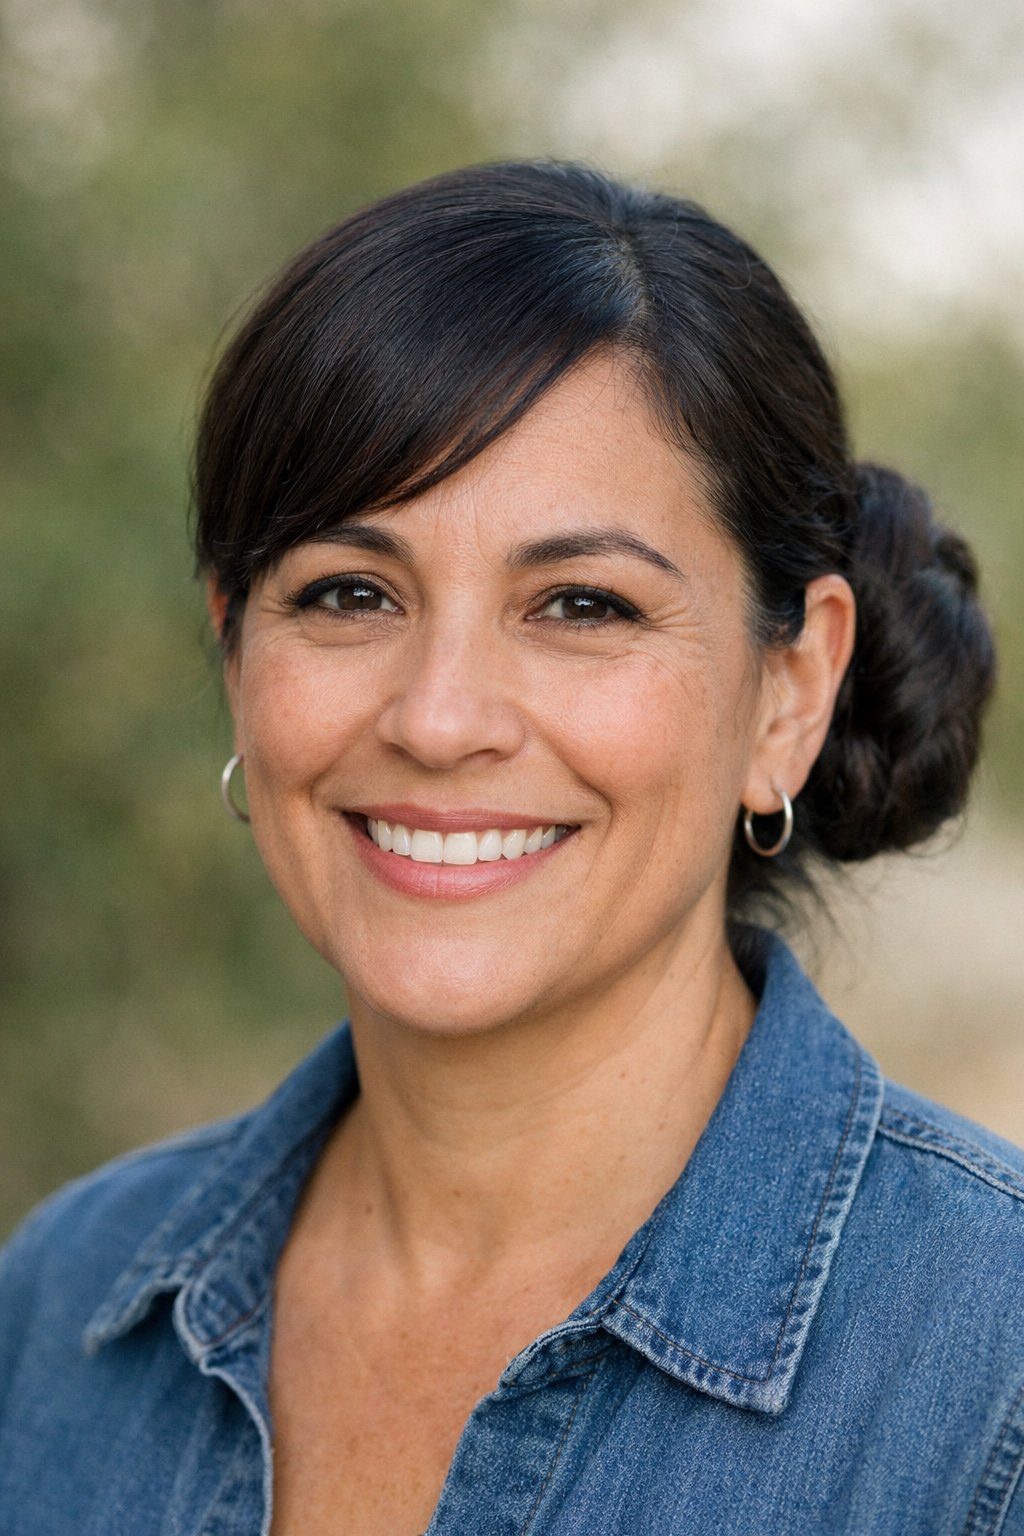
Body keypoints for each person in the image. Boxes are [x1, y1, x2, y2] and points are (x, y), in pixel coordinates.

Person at [0, 159, 1019, 1536]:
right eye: (350, 593)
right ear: (235, 648)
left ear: (790, 689)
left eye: (582, 604)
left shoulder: (988, 1377)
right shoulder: (62, 1307)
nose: (438, 718)